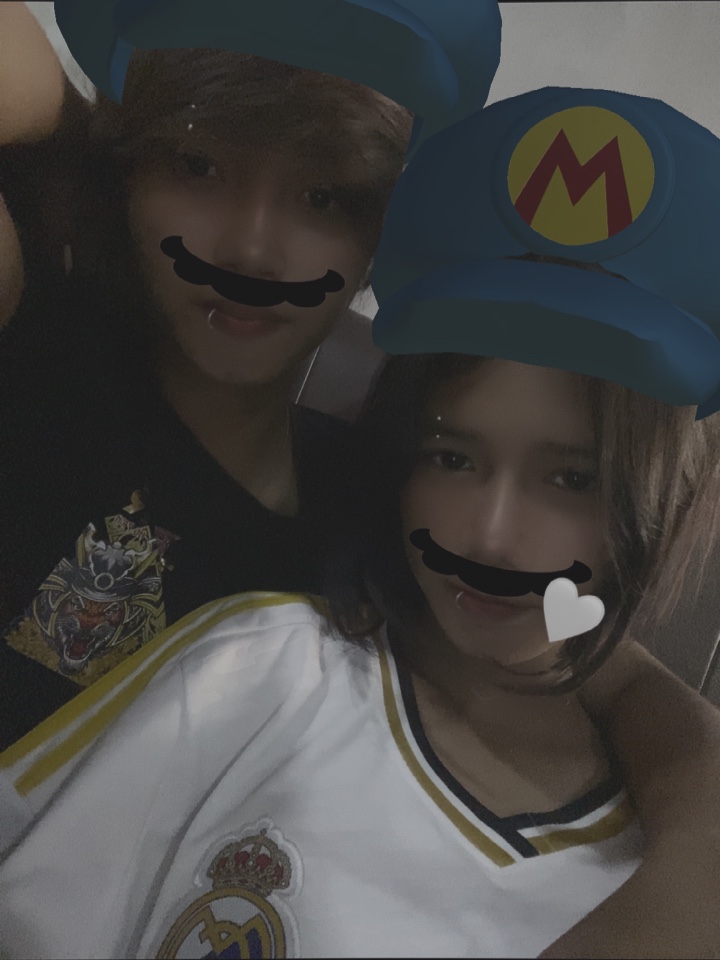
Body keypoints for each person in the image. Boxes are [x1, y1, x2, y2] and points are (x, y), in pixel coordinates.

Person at [1, 343, 719, 959]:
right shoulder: (257, 665)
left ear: (661, 495)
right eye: (451, 458)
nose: (491, 537)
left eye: (573, 479)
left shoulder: (659, 862)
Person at [0, 6, 414, 759]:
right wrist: (80, 142)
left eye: (324, 197)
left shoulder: (379, 503)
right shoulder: (44, 340)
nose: (250, 250)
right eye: (198, 167)